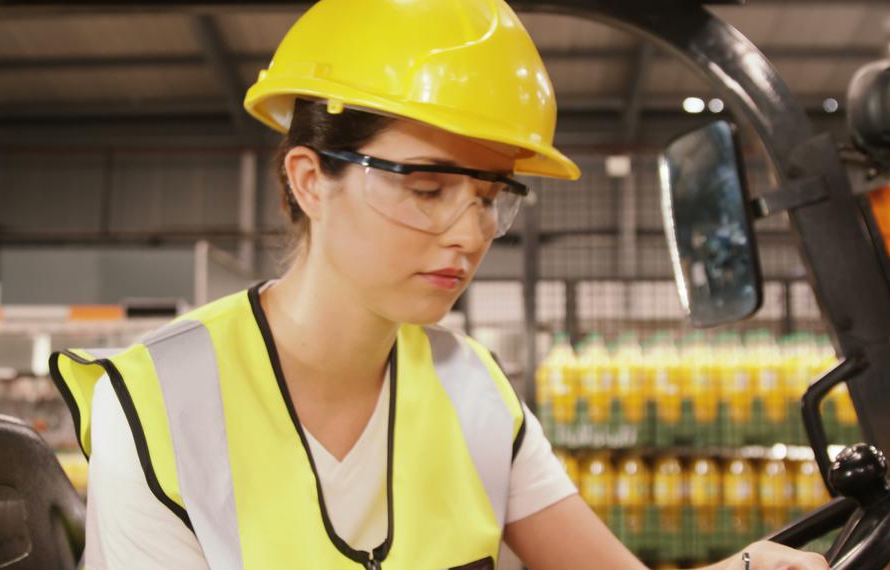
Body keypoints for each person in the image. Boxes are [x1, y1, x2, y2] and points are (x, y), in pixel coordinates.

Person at [50, 1, 830, 568]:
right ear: (310, 180)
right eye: (426, 188)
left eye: (491, 197)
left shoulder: (474, 391)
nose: (470, 232)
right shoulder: (157, 404)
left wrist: (748, 568)